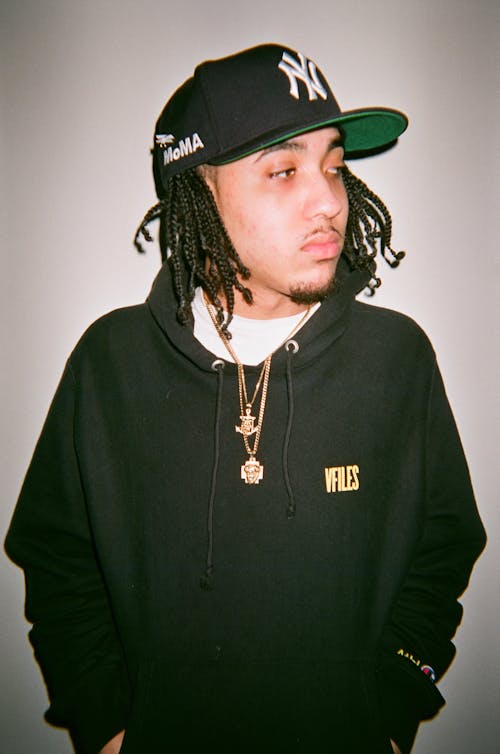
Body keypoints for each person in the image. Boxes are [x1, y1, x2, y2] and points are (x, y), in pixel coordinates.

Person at [5, 43, 486, 754]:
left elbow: (444, 547)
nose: (328, 200)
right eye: (283, 171)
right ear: (197, 191)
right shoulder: (110, 366)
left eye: (333, 165)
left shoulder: (397, 359)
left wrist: (394, 704)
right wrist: (104, 724)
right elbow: (58, 560)